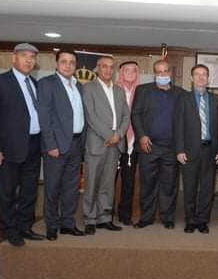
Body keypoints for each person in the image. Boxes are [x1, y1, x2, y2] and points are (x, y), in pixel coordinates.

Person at [0, 43, 44, 246]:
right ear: (14, 58)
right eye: (24, 56)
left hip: (34, 145)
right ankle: (9, 231)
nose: (28, 60)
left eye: (32, 57)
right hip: (8, 149)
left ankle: (25, 227)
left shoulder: (35, 84)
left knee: (29, 192)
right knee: (7, 192)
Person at [38, 50, 86, 240]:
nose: (68, 65)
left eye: (72, 62)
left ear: (76, 65)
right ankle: (51, 225)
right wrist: (50, 144)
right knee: (53, 187)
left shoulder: (78, 85)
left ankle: (67, 223)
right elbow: (44, 116)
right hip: (56, 146)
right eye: (64, 61)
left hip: (76, 143)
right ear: (57, 64)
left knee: (71, 187)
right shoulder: (47, 83)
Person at [131, 59, 184, 229]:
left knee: (169, 185)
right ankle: (146, 218)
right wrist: (141, 136)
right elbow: (136, 114)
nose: (162, 74)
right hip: (148, 146)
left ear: (170, 73)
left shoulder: (181, 93)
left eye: (165, 71)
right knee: (147, 184)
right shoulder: (142, 90)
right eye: (159, 72)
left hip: (171, 148)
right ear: (154, 74)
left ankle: (167, 218)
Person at [81, 56, 129, 234]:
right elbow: (91, 116)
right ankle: (89, 219)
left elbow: (126, 115)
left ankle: (104, 218)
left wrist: (119, 134)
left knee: (107, 184)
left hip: (115, 144)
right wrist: (109, 135)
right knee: (92, 183)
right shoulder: (88, 88)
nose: (108, 70)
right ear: (97, 69)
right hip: (97, 143)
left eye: (111, 67)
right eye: (104, 66)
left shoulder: (119, 90)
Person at [175, 64, 218, 234]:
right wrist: (179, 150)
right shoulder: (183, 99)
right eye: (197, 74)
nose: (201, 77)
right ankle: (190, 220)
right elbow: (178, 125)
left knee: (207, 189)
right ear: (191, 78)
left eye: (204, 74)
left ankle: (202, 220)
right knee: (189, 187)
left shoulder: (217, 100)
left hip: (210, 150)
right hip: (189, 151)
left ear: (208, 79)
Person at [115, 61, 141, 226]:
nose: (130, 73)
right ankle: (104, 214)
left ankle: (125, 214)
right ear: (121, 73)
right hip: (114, 139)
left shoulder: (141, 91)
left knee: (129, 181)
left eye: (134, 71)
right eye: (127, 70)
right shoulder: (113, 89)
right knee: (108, 181)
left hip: (133, 141)